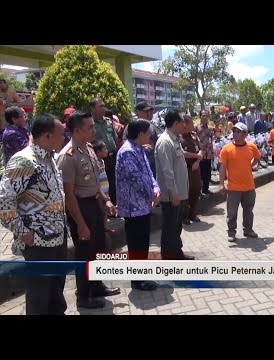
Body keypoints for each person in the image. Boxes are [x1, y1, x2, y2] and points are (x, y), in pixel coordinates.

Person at [0, 113, 68, 315]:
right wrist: (23, 232)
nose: (64, 138)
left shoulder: (49, 158)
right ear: (47, 136)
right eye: (61, 134)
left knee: (56, 292)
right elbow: (4, 200)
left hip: (57, 236)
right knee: (40, 295)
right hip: (38, 241)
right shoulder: (24, 161)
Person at [57, 111, 120, 309]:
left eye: (94, 126)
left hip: (95, 204)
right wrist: (81, 225)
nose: (94, 130)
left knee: (99, 249)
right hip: (81, 208)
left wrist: (106, 200)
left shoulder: (89, 149)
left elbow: (95, 181)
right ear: (76, 130)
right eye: (90, 127)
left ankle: (97, 286)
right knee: (85, 254)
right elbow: (69, 195)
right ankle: (83, 297)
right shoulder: (68, 156)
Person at [116, 119, 160, 290]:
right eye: (148, 133)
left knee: (143, 243)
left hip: (142, 206)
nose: (150, 136)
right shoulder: (127, 152)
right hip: (133, 208)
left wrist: (155, 188)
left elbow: (148, 172)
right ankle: (137, 280)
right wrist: (152, 193)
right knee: (136, 245)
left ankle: (142, 275)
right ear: (140, 134)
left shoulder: (138, 148)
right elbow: (136, 179)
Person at [155, 109, 194, 260]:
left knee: (176, 227)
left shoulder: (174, 139)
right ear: (176, 123)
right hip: (172, 195)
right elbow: (167, 170)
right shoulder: (165, 141)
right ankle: (169, 259)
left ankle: (177, 254)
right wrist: (173, 192)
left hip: (179, 193)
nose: (184, 125)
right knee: (170, 229)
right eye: (182, 122)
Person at [219, 122, 261, 242]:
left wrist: (250, 166)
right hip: (233, 188)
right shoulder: (226, 149)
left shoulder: (251, 147)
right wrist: (221, 184)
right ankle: (231, 232)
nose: (235, 133)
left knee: (248, 210)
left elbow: (257, 157)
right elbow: (222, 167)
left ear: (244, 134)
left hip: (249, 186)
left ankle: (248, 230)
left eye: (238, 131)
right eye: (234, 131)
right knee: (232, 212)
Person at [91, 98, 118, 205]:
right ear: (92, 108)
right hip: (99, 158)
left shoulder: (108, 121)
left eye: (104, 106)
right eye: (100, 106)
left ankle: (114, 205)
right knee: (101, 183)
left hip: (112, 156)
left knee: (113, 182)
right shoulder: (91, 123)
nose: (103, 108)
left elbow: (114, 137)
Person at [181, 115, 203, 225]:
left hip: (195, 168)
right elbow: (182, 154)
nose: (193, 125)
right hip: (186, 169)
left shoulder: (194, 136)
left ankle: (193, 214)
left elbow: (201, 151)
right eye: (191, 123)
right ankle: (184, 216)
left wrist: (198, 160)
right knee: (186, 193)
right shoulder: (179, 137)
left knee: (196, 191)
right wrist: (196, 156)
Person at [196, 109, 214, 195]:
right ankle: (199, 191)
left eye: (207, 115)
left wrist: (212, 151)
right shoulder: (196, 127)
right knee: (200, 174)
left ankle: (206, 190)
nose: (205, 117)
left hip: (208, 154)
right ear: (200, 116)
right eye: (203, 115)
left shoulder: (210, 128)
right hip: (200, 154)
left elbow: (211, 140)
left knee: (208, 173)